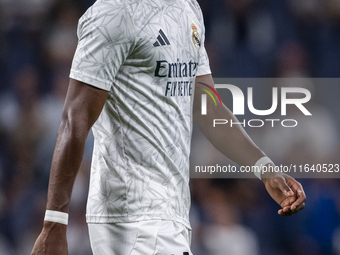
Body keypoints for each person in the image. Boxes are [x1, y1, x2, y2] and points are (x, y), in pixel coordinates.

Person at [31, 0, 306, 254]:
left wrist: (264, 168)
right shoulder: (114, 12)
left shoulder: (188, 8)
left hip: (172, 214)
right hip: (132, 218)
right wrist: (55, 222)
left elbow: (208, 108)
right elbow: (74, 119)